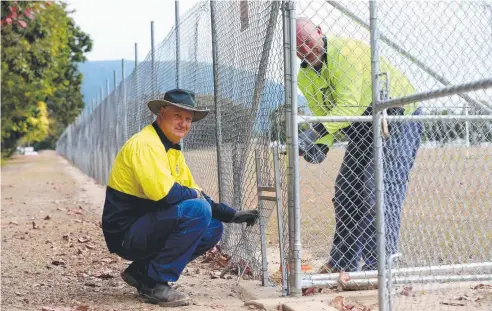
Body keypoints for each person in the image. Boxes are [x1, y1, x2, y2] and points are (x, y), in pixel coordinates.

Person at [101, 88, 259, 307]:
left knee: (213, 227)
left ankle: (140, 272)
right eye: (177, 116)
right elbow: (165, 194)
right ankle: (154, 283)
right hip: (126, 232)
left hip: (145, 225)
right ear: (162, 113)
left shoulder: (172, 149)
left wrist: (230, 214)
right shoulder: (146, 144)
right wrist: (195, 195)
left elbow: (194, 191)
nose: (183, 123)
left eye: (188, 119)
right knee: (197, 210)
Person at [295, 17, 423, 273]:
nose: (307, 51)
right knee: (346, 191)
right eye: (300, 48)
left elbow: (349, 105)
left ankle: (379, 268)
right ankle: (343, 264)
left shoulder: (346, 52)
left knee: (376, 188)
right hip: (362, 125)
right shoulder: (305, 79)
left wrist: (315, 132)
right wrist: (321, 145)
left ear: (320, 32)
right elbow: (327, 115)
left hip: (395, 115)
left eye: (309, 42)